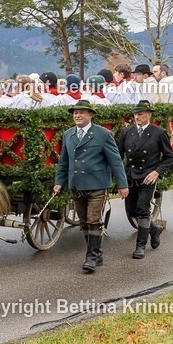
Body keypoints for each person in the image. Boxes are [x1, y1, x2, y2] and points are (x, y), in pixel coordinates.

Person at [53, 100, 129, 273]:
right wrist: (59, 182)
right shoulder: (68, 134)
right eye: (75, 113)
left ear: (91, 115)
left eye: (81, 113)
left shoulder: (103, 134)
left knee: (93, 220)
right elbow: (63, 162)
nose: (77, 116)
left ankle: (91, 257)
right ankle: (97, 253)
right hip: (76, 185)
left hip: (97, 185)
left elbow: (115, 161)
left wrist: (122, 184)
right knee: (84, 222)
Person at [116, 100, 173, 259]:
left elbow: (169, 157)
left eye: (140, 114)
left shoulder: (159, 132)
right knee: (132, 211)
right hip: (130, 176)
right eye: (135, 114)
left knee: (142, 209)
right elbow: (118, 156)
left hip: (148, 176)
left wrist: (156, 172)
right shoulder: (126, 132)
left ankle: (140, 246)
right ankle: (154, 229)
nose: (137, 117)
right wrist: (119, 177)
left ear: (149, 115)